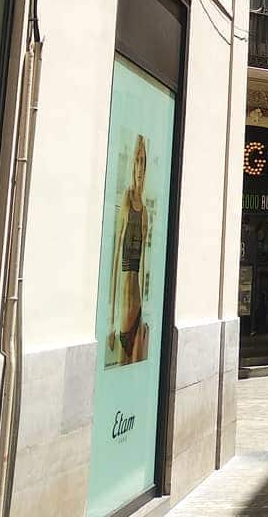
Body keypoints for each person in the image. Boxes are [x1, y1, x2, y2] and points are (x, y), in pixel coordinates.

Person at [109, 135, 151, 365]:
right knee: (123, 361)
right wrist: (111, 322)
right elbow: (116, 255)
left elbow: (144, 261)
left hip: (137, 302)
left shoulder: (144, 210)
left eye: (144, 163)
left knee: (134, 361)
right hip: (124, 298)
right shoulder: (126, 199)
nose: (140, 169)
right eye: (138, 162)